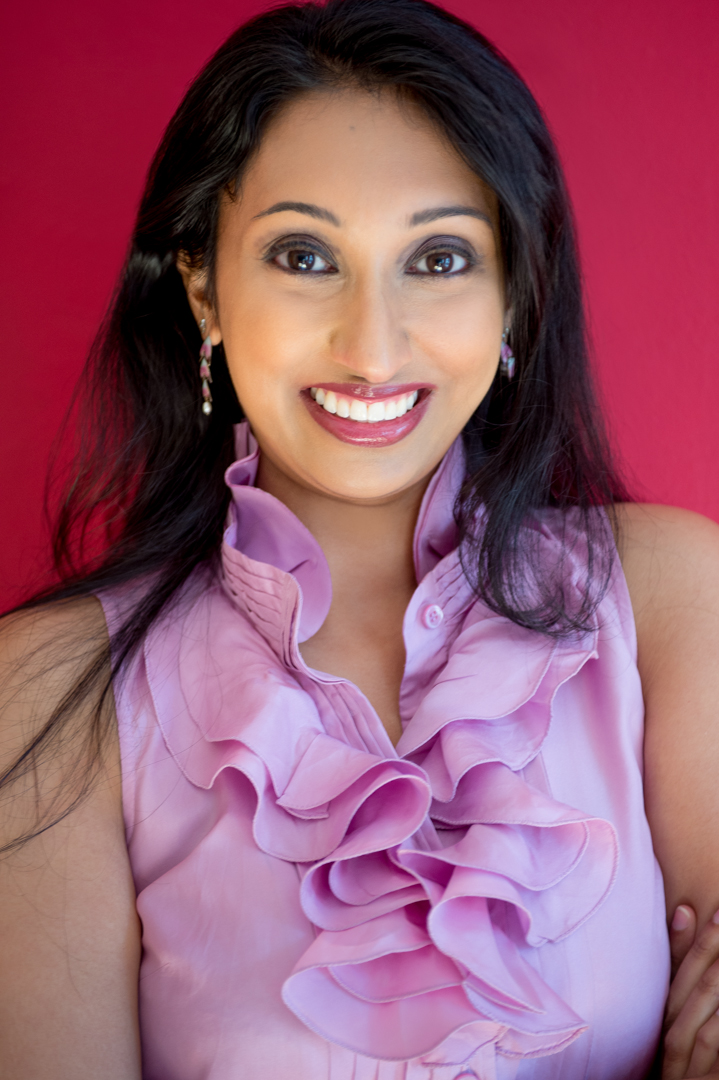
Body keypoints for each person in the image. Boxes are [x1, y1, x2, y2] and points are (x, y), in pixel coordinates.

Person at [2, 0, 719, 1076]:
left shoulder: (665, 600)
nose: (371, 347)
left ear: (515, 292)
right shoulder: (52, 695)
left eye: (437, 260)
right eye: (303, 255)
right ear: (201, 283)